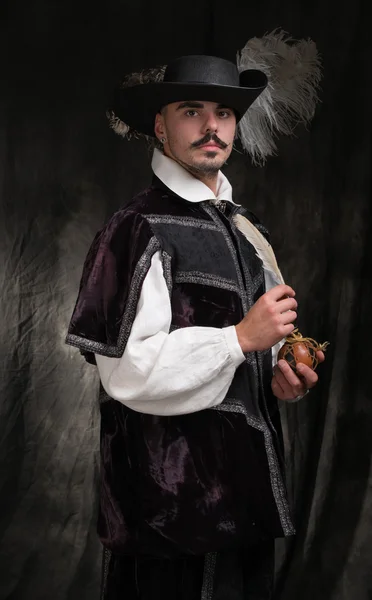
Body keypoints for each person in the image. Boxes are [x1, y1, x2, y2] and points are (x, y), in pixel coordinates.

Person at [66, 36, 323, 600]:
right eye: (192, 112)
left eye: (224, 112)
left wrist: (281, 372)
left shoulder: (247, 232)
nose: (212, 126)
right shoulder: (137, 228)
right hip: (167, 509)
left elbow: (259, 345)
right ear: (160, 127)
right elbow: (128, 372)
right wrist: (237, 340)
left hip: (245, 499)